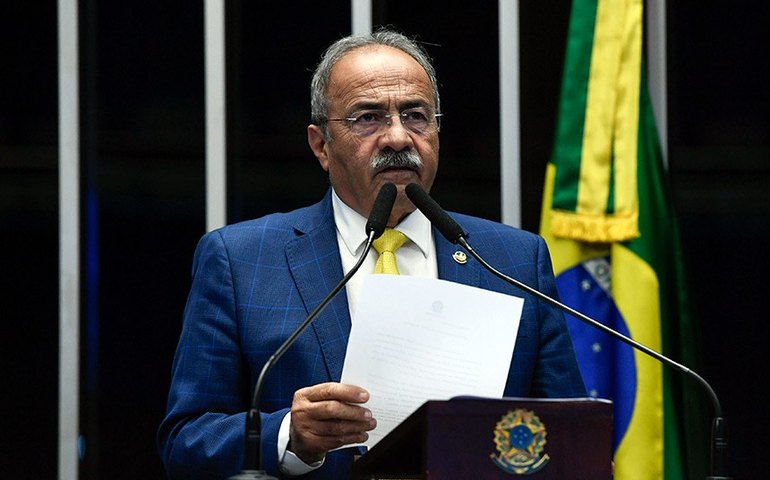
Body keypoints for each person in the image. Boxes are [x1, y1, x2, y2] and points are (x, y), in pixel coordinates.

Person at [157, 28, 586, 479]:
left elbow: (567, 434)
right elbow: (186, 440)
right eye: (368, 118)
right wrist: (288, 436)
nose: (398, 137)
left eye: (416, 115)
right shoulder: (241, 259)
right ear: (321, 146)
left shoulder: (513, 260)